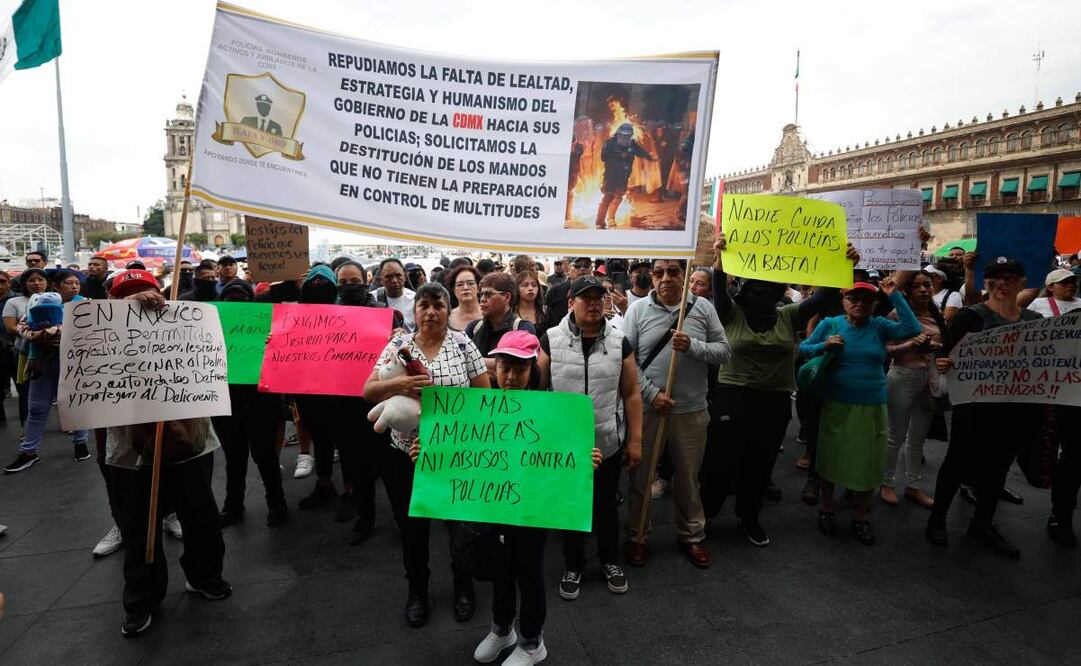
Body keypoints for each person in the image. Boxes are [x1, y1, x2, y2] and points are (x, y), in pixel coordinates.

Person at [698, 235, 854, 546]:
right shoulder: (730, 313)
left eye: (769, 288)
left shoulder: (789, 315)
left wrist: (844, 263)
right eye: (755, 287)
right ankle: (705, 515)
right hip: (733, 396)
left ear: (778, 292)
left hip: (774, 400)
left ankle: (749, 516)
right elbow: (718, 290)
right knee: (720, 460)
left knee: (760, 460)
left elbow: (823, 297)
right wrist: (719, 260)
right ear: (743, 290)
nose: (761, 292)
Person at [103, 270, 230, 637]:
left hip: (192, 442)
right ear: (110, 301)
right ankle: (141, 598)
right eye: (126, 294)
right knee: (138, 525)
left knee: (201, 515)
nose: (140, 298)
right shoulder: (97, 328)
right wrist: (124, 313)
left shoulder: (188, 321)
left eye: (145, 291)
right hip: (129, 452)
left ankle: (205, 576)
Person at [415, 330, 554, 665]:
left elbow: (563, 458)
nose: (511, 376)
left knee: (530, 573)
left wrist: (584, 460)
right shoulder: (481, 410)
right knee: (501, 568)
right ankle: (502, 628)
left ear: (532, 371)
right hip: (495, 507)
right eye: (504, 367)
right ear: (495, 368)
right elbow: (459, 454)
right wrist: (428, 452)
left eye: (520, 368)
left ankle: (532, 642)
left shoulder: (551, 411)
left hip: (533, 510)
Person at [363, 281, 490, 627]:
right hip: (406, 455)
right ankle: (417, 590)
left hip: (454, 457)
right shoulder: (398, 345)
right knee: (413, 528)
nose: (431, 312)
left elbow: (485, 398)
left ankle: (464, 586)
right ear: (414, 310)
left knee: (458, 525)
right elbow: (368, 390)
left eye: (438, 305)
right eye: (424, 305)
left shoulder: (463, 344)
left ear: (448, 310)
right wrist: (400, 385)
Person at [927, 257, 1043, 558]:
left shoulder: (1033, 321)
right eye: (996, 279)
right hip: (973, 407)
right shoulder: (971, 316)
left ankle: (982, 524)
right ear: (987, 284)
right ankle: (937, 519)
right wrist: (944, 363)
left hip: (1013, 409)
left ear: (1021, 282)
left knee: (998, 467)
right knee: (956, 462)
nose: (1002, 284)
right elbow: (947, 351)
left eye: (1009, 278)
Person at [538, 276, 642, 600]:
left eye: (600, 297)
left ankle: (610, 560)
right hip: (565, 448)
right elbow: (538, 392)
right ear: (571, 302)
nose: (595, 303)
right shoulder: (550, 340)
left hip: (606, 442)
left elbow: (632, 393)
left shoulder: (620, 341)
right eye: (587, 298)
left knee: (606, 507)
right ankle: (574, 565)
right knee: (570, 508)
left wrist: (635, 440)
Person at [623, 259, 730, 569]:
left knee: (688, 477)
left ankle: (692, 535)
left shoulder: (703, 308)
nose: (666, 278)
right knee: (641, 477)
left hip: (691, 410)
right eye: (659, 272)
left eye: (673, 271)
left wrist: (693, 346)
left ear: (685, 275)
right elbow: (626, 360)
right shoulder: (638, 310)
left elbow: (724, 351)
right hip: (648, 410)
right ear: (652, 276)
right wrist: (651, 394)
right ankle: (637, 535)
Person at [799, 278, 920, 546]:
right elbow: (803, 349)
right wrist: (823, 345)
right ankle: (827, 509)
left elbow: (912, 328)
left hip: (871, 405)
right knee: (830, 457)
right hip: (836, 403)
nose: (859, 304)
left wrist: (894, 295)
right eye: (853, 298)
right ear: (843, 301)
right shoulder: (830, 324)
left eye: (866, 300)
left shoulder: (880, 326)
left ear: (874, 304)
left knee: (869, 461)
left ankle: (861, 516)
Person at [212, 278, 288, 529]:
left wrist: (272, 342)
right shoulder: (212, 328)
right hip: (226, 403)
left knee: (265, 456)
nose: (235, 304)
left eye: (242, 299)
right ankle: (233, 505)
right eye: (229, 299)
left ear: (251, 302)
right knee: (234, 458)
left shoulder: (265, 324)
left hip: (261, 402)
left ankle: (276, 503)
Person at [2, 284, 91, 473]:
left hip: (72, 364)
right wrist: (37, 334)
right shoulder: (34, 306)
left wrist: (55, 331)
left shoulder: (83, 305)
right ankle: (28, 452)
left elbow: (89, 330)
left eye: (76, 282)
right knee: (36, 408)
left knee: (76, 405)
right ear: (58, 286)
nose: (73, 286)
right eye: (68, 283)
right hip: (41, 365)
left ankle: (80, 442)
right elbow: (22, 327)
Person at [880, 272, 943, 508]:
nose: (924, 290)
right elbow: (884, 350)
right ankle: (886, 483)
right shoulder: (896, 314)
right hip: (902, 377)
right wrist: (910, 345)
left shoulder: (937, 315)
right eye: (917, 286)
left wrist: (934, 347)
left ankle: (913, 486)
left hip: (929, 380)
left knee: (917, 438)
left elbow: (943, 346)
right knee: (895, 435)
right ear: (907, 291)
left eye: (927, 285)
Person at [466, 272, 537, 380]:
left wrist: (474, 364)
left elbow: (516, 364)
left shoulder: (522, 328)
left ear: (507, 297)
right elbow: (460, 360)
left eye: (489, 294)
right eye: (481, 295)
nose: (482, 299)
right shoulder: (474, 327)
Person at [595, 123, 655, 229]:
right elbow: (603, 157)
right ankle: (600, 222)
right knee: (608, 197)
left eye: (627, 136)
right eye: (623, 135)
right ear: (618, 134)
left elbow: (640, 152)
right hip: (611, 176)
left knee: (618, 197)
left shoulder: (632, 145)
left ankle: (611, 218)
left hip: (623, 176)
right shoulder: (610, 143)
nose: (625, 138)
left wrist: (649, 157)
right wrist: (618, 155)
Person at [544, 257, 592, 329]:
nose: (582, 268)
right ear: (568, 269)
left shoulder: (598, 292)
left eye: (586, 265)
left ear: (591, 268)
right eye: (577, 265)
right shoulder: (555, 291)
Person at [375, 258, 416, 331]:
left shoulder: (415, 300)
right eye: (388, 276)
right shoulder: (372, 299)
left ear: (404, 277)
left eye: (398, 275)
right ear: (381, 279)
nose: (394, 280)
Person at [448, 264, 483, 331]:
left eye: (470, 283)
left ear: (478, 287)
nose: (465, 288)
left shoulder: (489, 315)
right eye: (460, 284)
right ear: (454, 290)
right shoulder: (447, 318)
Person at [514, 270, 548, 337]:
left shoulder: (545, 311)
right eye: (525, 285)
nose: (530, 288)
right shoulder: (511, 313)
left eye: (534, 285)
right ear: (517, 289)